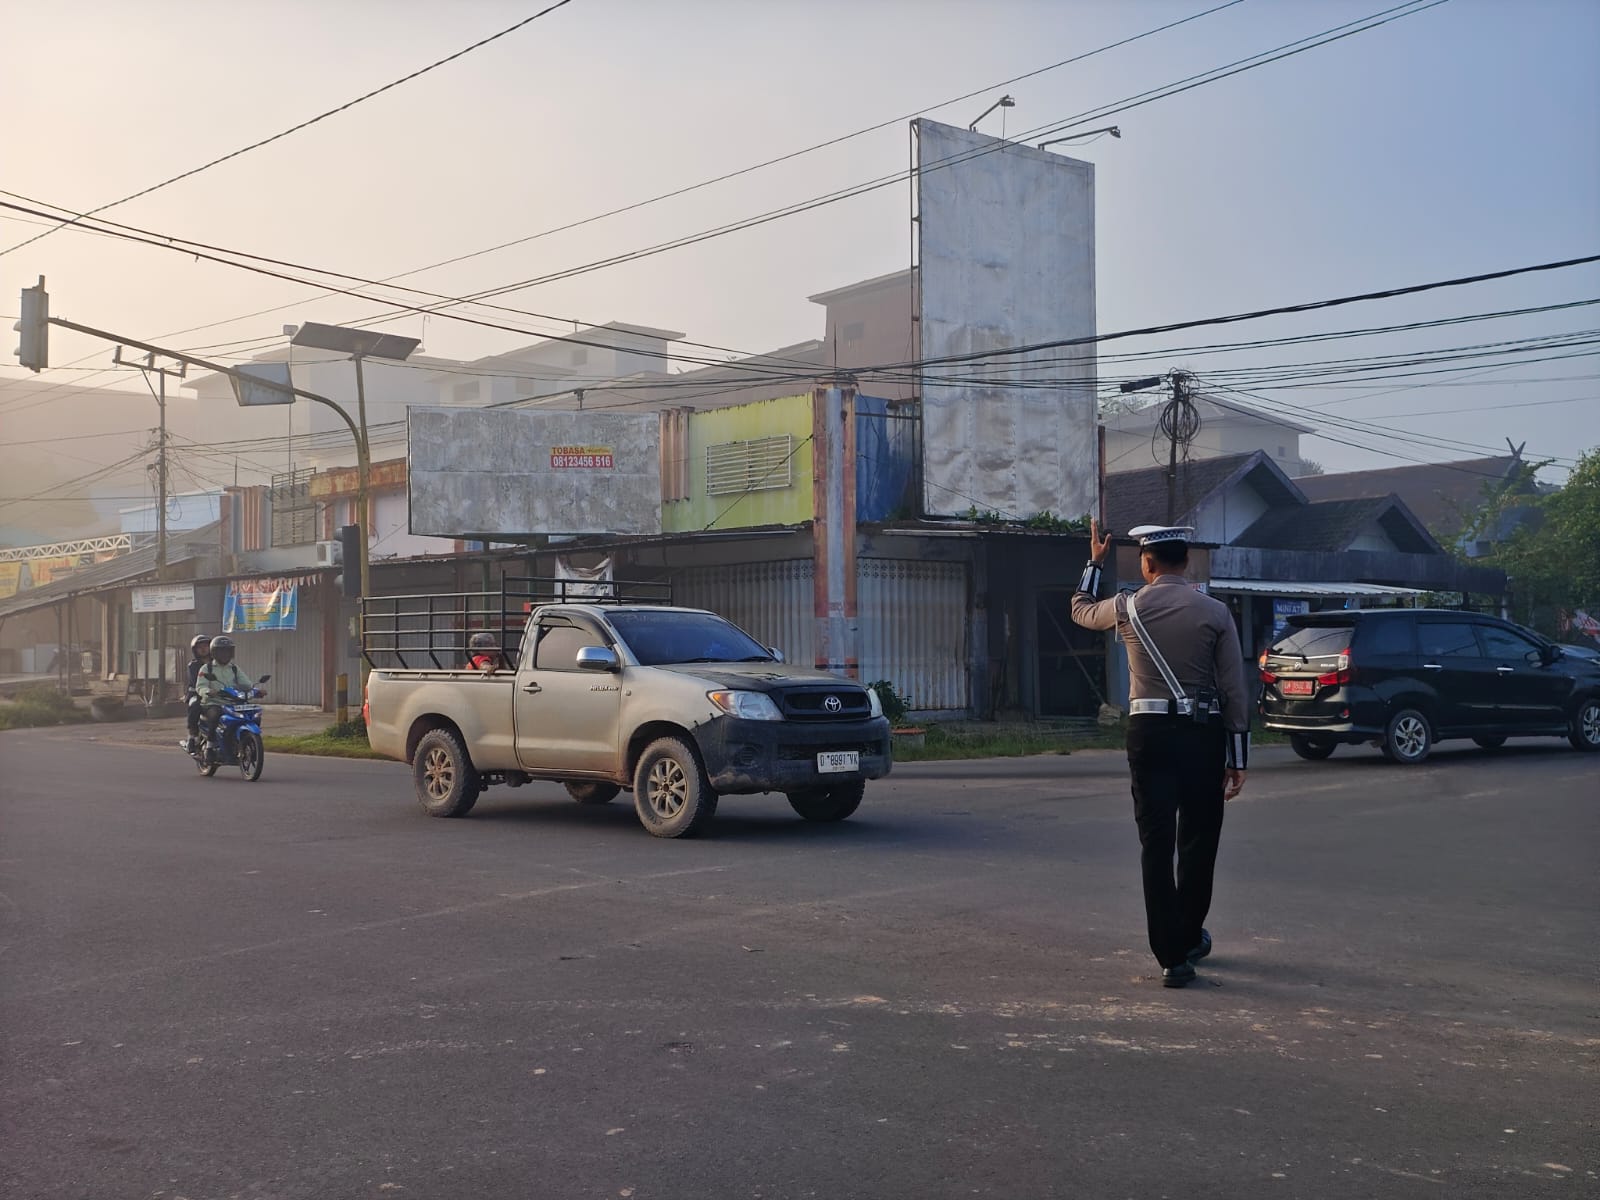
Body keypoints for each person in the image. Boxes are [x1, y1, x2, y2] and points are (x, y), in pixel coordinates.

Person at [1071, 520, 1250, 988]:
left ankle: (1171, 956)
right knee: (1198, 839)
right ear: (1186, 561)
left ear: (1147, 564)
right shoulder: (1215, 612)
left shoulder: (1127, 607)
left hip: (1148, 734)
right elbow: (1233, 690)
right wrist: (1239, 757)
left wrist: (1095, 561)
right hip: (1202, 735)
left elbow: (1081, 611)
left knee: (1156, 842)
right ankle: (1189, 935)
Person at [195, 635, 260, 744]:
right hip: (213, 703)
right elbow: (200, 686)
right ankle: (210, 746)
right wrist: (208, 691)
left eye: (227, 651)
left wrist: (257, 690)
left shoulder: (234, 668)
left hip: (233, 703)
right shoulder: (207, 668)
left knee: (253, 713)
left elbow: (247, 684)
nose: (225, 654)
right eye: (221, 651)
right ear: (214, 653)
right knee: (215, 715)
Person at [184, 633, 211, 754]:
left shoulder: (218, 663)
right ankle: (192, 736)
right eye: (200, 647)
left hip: (216, 695)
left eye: (206, 646)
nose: (204, 649)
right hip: (198, 694)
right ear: (195, 650)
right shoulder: (193, 665)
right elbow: (196, 682)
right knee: (194, 706)